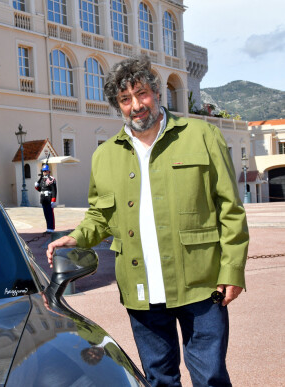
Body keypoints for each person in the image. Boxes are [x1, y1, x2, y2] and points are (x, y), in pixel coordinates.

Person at [46, 56, 248, 387]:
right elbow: (100, 214)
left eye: (142, 94)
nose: (136, 105)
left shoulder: (202, 136)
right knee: (159, 380)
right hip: (140, 288)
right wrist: (76, 237)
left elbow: (230, 208)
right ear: (117, 106)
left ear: (156, 92)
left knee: (210, 377)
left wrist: (232, 270)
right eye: (125, 99)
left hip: (201, 282)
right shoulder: (105, 155)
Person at [35, 164, 57, 233]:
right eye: (43, 171)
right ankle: (48, 228)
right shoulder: (42, 180)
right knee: (46, 214)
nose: (44, 172)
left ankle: (51, 228)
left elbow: (54, 190)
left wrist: (53, 200)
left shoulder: (51, 179)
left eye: (46, 171)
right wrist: (36, 186)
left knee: (50, 214)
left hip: (49, 199)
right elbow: (40, 189)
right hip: (43, 199)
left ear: (49, 171)